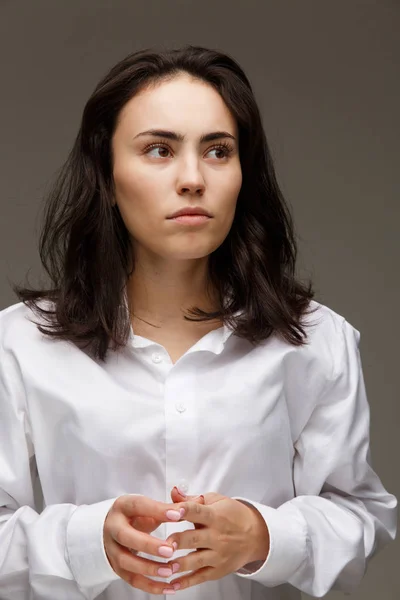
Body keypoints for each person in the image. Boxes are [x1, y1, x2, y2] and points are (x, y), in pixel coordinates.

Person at [0, 44, 396, 600]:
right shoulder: (20, 343)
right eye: (159, 150)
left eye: (217, 151)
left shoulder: (315, 340)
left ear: (242, 172)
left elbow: (363, 515)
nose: (192, 178)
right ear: (108, 177)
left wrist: (264, 536)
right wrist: (85, 542)